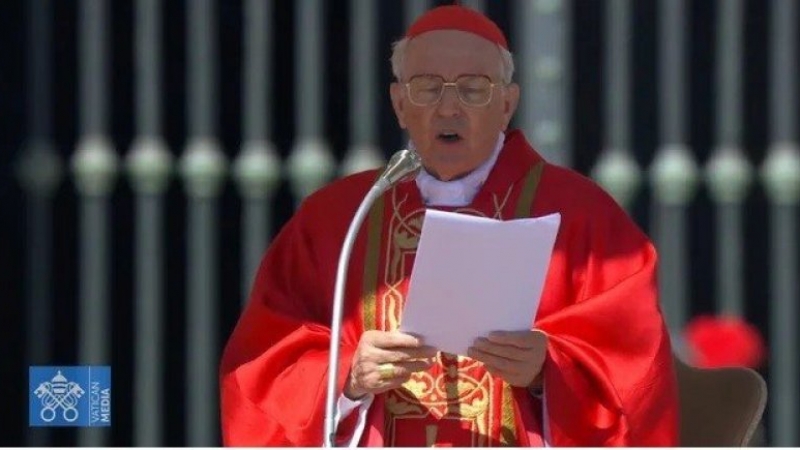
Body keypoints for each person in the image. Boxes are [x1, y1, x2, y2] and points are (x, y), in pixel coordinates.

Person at [220, 4, 678, 446]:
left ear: (507, 104)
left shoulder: (581, 214)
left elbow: (635, 368)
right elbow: (262, 364)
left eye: (473, 89)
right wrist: (348, 377)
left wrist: (548, 370)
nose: (448, 108)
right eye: (427, 88)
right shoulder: (338, 217)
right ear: (399, 103)